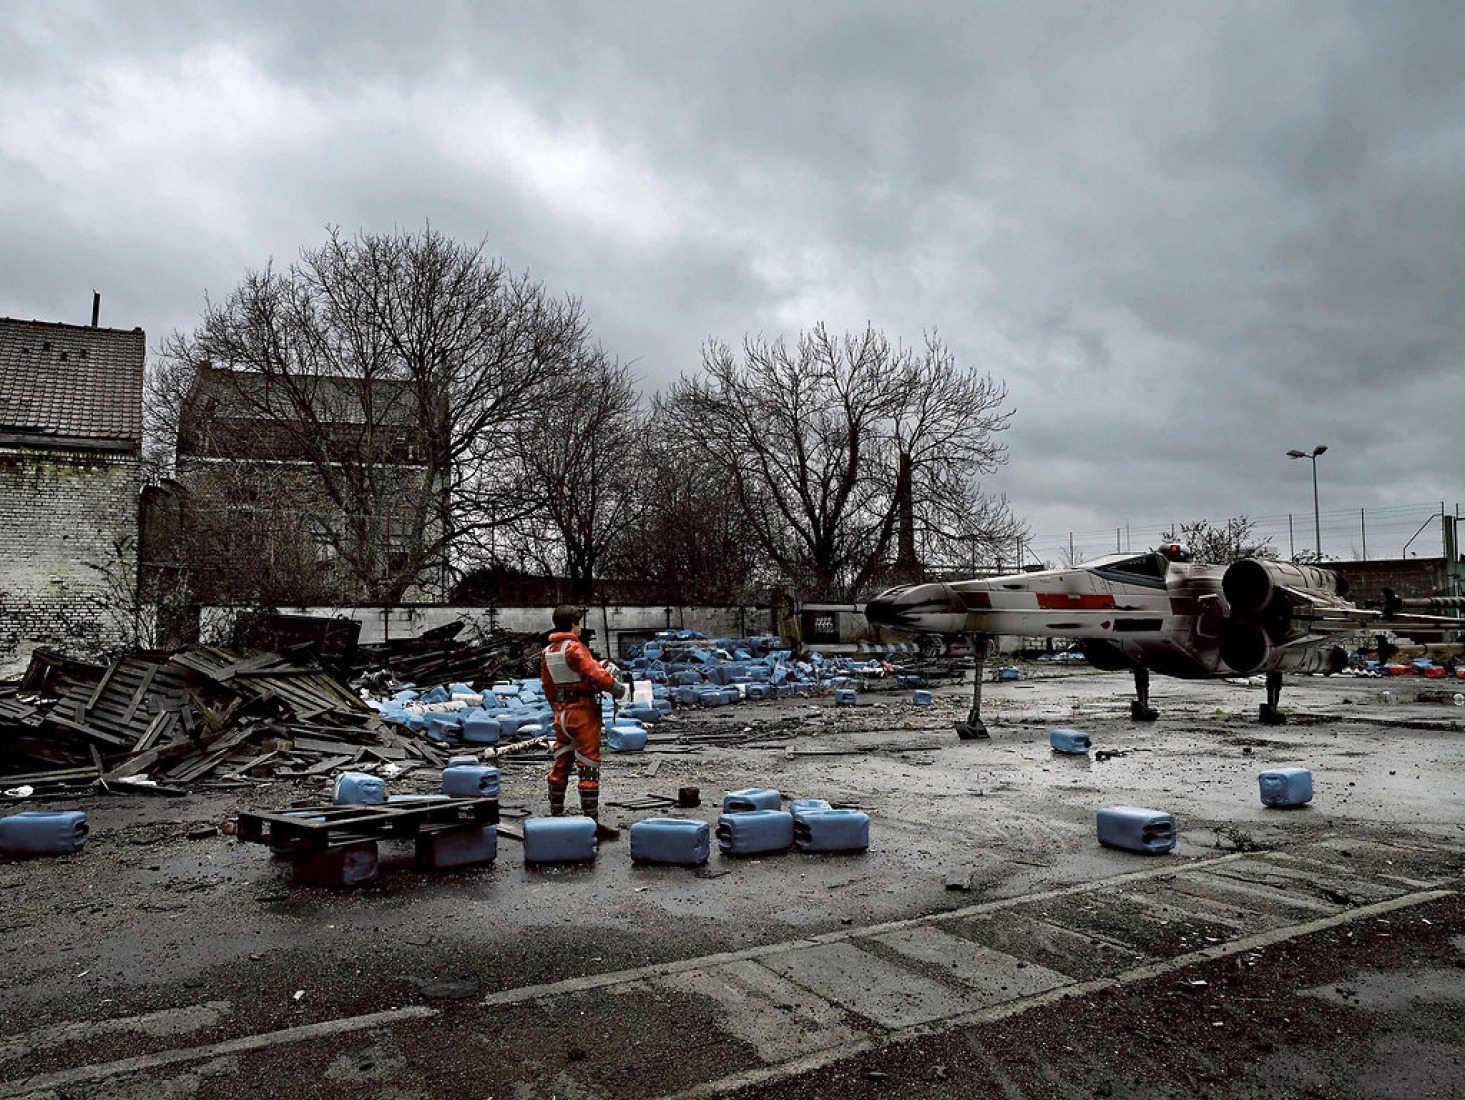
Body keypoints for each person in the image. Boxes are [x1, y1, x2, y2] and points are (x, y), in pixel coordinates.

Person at [541, 605, 627, 840]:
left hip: (561, 716)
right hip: (582, 714)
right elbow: (595, 674)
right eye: (578, 622)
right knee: (588, 763)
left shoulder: (548, 651)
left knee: (562, 761)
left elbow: (547, 686)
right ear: (572, 624)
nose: (580, 626)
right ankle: (591, 822)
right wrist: (616, 688)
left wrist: (558, 708)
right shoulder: (575, 648)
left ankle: (555, 816)